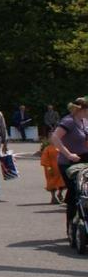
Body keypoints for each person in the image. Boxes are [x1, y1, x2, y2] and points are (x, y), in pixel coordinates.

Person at [50, 97, 88, 227]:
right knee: (75, 191)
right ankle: (71, 225)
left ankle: (82, 221)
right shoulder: (69, 121)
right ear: (81, 110)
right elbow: (55, 137)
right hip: (68, 162)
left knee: (84, 191)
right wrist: (68, 154)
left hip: (83, 159)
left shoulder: (83, 121)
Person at [40, 140, 66, 205]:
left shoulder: (63, 147)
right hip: (51, 169)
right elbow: (44, 160)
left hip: (61, 168)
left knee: (63, 182)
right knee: (52, 183)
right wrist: (49, 169)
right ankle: (53, 197)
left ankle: (60, 194)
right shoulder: (47, 149)